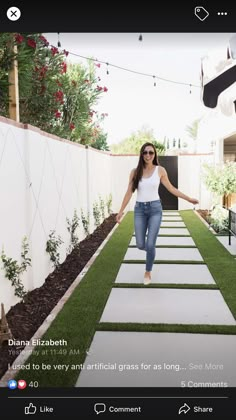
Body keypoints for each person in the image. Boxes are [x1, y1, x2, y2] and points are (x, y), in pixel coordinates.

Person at [116, 142, 199, 285]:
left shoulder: (160, 170)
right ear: (141, 154)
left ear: (154, 155)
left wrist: (189, 199)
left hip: (155, 209)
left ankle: (148, 272)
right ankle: (150, 251)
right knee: (141, 244)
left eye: (151, 152)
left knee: (151, 243)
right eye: (145, 152)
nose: (148, 155)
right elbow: (129, 192)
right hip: (140, 210)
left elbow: (172, 188)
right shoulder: (135, 172)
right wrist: (120, 211)